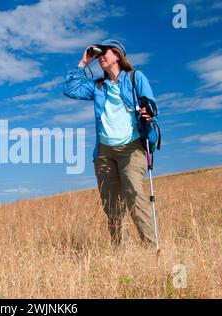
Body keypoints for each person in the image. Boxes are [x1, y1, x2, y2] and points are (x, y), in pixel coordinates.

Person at [63, 39, 158, 248]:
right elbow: (70, 89)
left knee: (135, 196)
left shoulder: (135, 78)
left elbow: (151, 106)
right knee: (111, 206)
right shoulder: (98, 87)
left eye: (105, 52)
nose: (101, 56)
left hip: (131, 149)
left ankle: (152, 249)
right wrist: (83, 62)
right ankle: (122, 253)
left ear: (117, 55)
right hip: (104, 153)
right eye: (99, 54)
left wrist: (148, 114)